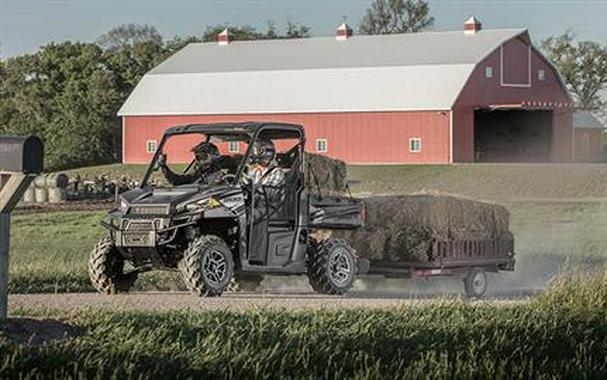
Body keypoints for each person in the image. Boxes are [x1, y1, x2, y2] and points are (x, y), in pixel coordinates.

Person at [241, 139, 286, 263]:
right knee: (236, 213)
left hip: (271, 208)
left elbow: (268, 192)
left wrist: (251, 187)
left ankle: (253, 256)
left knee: (247, 216)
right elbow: (248, 184)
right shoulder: (255, 171)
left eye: (257, 153)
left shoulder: (277, 172)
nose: (254, 156)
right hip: (255, 205)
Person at [158, 141, 226, 186]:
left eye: (202, 157)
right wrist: (163, 166)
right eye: (197, 157)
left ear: (213, 156)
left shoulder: (219, 176)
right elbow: (177, 180)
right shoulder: (198, 173)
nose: (198, 160)